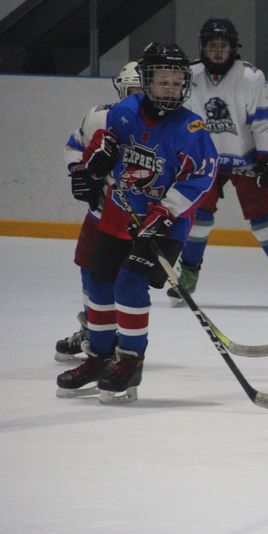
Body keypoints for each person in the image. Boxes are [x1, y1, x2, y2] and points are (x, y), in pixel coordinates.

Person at [56, 42, 218, 403]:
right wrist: (92, 168)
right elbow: (106, 143)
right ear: (145, 81)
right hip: (119, 213)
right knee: (99, 282)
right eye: (163, 82)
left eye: (177, 83)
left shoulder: (191, 129)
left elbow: (200, 179)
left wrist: (164, 213)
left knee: (130, 284)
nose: (171, 89)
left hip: (166, 222)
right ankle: (99, 358)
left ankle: (130, 361)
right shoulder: (124, 112)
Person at [167, 18, 268, 308]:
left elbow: (261, 121)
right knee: (198, 221)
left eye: (223, 46)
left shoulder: (250, 77)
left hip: (245, 158)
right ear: (203, 48)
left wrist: (264, 159)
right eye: (212, 46)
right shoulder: (189, 75)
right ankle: (189, 275)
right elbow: (180, 120)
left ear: (233, 48)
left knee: (265, 222)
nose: (218, 51)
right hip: (204, 160)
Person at [55, 61, 143, 363]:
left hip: (134, 220)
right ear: (121, 90)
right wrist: (80, 172)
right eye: (133, 91)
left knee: (128, 279)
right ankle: (95, 330)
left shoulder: (159, 129)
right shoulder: (99, 117)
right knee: (89, 269)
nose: (137, 99)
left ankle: (127, 338)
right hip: (100, 214)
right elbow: (74, 145)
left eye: (143, 92)